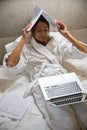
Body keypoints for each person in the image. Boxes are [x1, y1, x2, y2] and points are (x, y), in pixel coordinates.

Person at [3, 15, 87, 130]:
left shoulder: (56, 42)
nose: (43, 33)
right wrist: (23, 39)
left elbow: (83, 51)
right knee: (61, 115)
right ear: (32, 31)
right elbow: (11, 64)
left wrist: (66, 34)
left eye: (46, 30)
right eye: (39, 30)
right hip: (43, 81)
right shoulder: (26, 46)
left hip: (62, 77)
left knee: (82, 106)